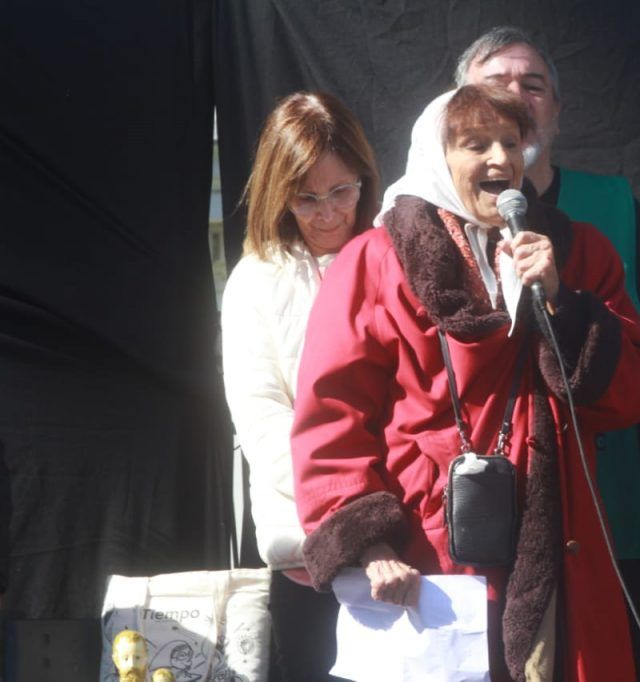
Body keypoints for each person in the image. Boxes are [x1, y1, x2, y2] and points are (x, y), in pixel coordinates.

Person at [290, 84, 640, 682]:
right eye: (476, 144)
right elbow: (331, 418)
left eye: (511, 143)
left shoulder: (579, 254)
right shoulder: (375, 262)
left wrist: (564, 306)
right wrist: (370, 542)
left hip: (557, 552)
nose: (501, 160)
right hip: (427, 559)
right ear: (438, 159)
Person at [455, 26, 640, 572]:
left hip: (600, 471)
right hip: (484, 488)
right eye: (495, 84)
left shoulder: (614, 206)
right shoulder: (432, 223)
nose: (514, 97)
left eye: (532, 85)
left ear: (556, 108)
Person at [220, 91, 380, 681]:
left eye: (341, 190)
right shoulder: (255, 280)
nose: (326, 212)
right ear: (276, 193)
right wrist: (350, 515)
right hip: (307, 550)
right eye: (306, 197)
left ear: (365, 177)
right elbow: (261, 418)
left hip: (409, 544)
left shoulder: (394, 256)